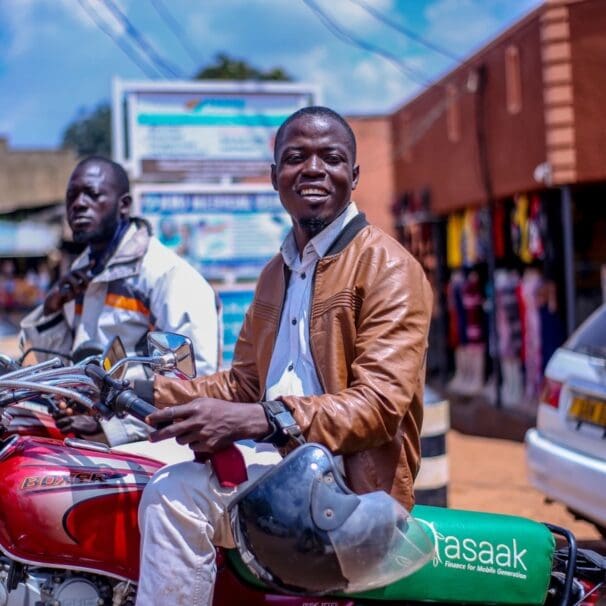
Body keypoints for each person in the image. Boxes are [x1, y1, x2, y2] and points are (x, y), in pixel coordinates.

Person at [134, 107, 433, 605]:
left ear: (353, 176)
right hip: (283, 473)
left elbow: (379, 406)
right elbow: (242, 384)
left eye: (331, 158)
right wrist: (143, 393)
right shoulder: (278, 271)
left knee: (174, 497)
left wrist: (259, 419)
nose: (313, 168)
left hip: (351, 497)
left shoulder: (389, 269)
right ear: (275, 177)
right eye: (296, 158)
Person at [20, 156, 219, 447]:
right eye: (72, 196)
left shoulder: (166, 275)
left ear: (123, 205)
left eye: (92, 194)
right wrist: (51, 308)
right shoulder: (81, 272)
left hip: (148, 447)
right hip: (89, 438)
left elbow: (193, 382)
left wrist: (110, 424)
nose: (78, 204)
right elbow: (58, 363)